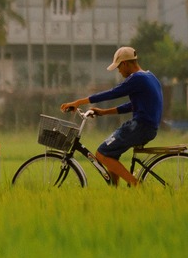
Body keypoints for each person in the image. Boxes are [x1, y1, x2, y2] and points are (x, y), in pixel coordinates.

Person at [61, 45, 163, 187]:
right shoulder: (149, 77)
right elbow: (132, 105)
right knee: (111, 154)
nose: (119, 71)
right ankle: (115, 191)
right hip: (147, 127)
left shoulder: (136, 78)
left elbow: (111, 93)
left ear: (125, 63)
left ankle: (136, 185)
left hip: (140, 126)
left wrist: (79, 102)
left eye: (119, 67)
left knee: (102, 153)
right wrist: (104, 112)